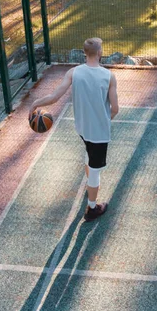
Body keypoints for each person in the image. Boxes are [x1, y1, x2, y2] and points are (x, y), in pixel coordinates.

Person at [28, 37, 119, 221]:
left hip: (82, 128)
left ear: (84, 53)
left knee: (89, 153)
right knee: (95, 170)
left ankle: (90, 187)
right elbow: (115, 109)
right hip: (99, 133)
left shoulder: (73, 72)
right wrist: (103, 120)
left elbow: (54, 97)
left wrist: (35, 103)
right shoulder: (109, 76)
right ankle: (92, 208)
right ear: (100, 53)